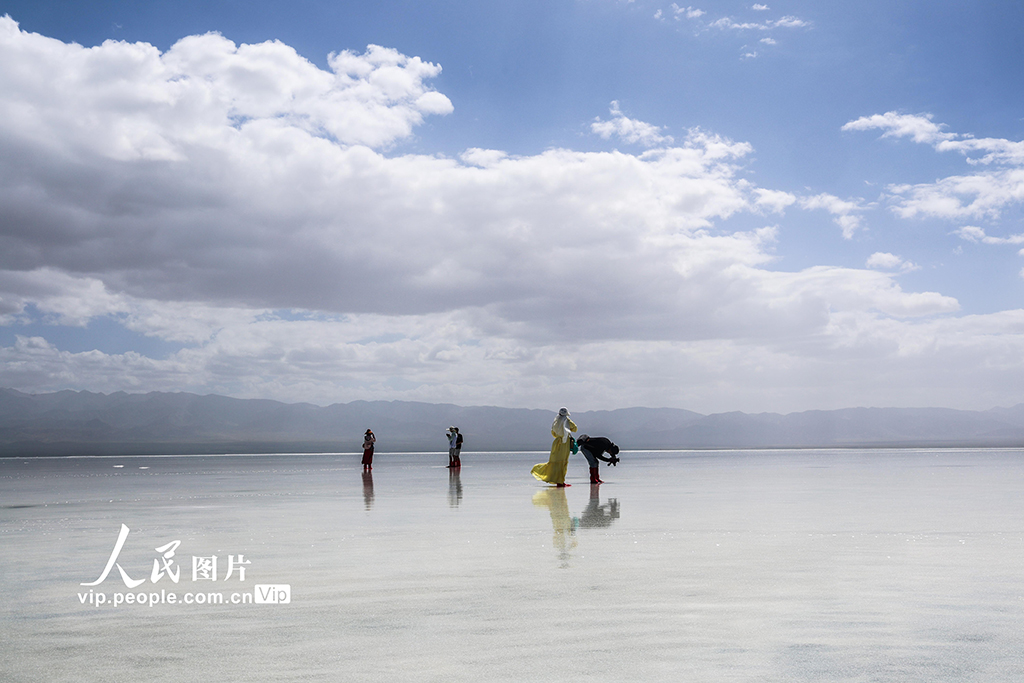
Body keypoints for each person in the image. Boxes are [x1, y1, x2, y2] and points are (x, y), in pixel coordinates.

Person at [531, 407, 578, 487]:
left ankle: (557, 480)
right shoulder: (567, 420)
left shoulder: (556, 421)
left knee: (554, 461)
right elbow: (575, 429)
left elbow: (553, 433)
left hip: (556, 443)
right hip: (564, 442)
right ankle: (560, 481)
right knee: (563, 462)